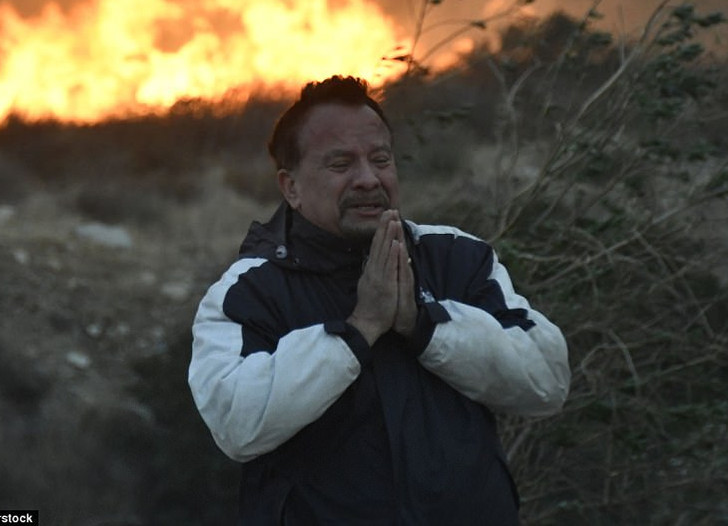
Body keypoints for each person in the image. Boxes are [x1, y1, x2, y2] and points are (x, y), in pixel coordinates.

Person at [188, 75, 570, 525]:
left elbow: (547, 380)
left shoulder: (455, 256)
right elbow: (236, 423)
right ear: (291, 188)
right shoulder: (247, 292)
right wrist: (355, 332)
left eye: (381, 159)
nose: (368, 179)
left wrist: (426, 325)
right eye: (341, 164)